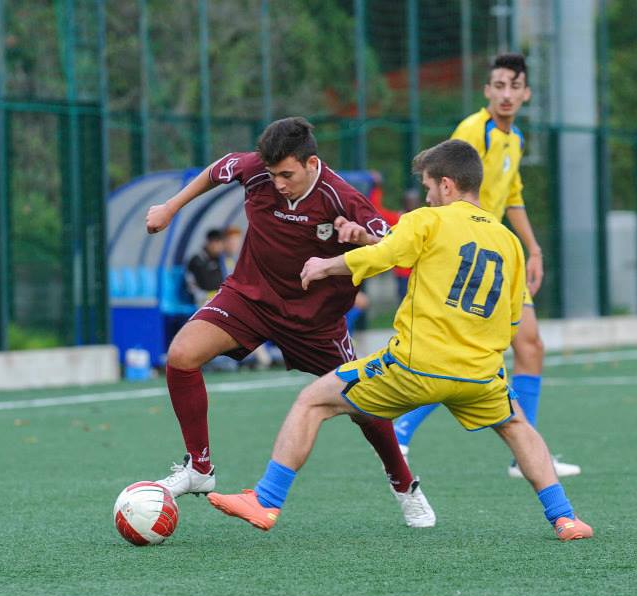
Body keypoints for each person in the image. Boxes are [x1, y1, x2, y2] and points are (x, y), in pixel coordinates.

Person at [206, 140, 592, 540]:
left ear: (446, 185)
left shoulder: (429, 220)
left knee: (312, 401)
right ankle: (565, 517)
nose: (425, 196)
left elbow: (384, 256)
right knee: (517, 427)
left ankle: (266, 500)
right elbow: (512, 319)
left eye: (427, 187)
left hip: (414, 365)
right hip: (480, 372)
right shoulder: (508, 241)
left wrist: (326, 265)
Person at [144, 117, 434, 528]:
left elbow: (391, 243)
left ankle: (404, 485)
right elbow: (217, 169)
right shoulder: (256, 170)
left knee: (365, 406)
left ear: (311, 163)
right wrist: (171, 207)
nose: (278, 183)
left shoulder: (341, 197)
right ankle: (200, 469)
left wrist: (362, 238)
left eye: (287, 175)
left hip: (315, 323)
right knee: (182, 354)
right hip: (250, 297)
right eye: (272, 173)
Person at [391, 53, 580, 478]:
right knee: (468, 356)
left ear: (526, 93)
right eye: (498, 85)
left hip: (497, 255)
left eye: (515, 86)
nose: (506, 94)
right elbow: (444, 186)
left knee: (529, 346)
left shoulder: (515, 139)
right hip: (469, 255)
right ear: (486, 90)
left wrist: (533, 248)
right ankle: (400, 430)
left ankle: (523, 456)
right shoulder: (473, 131)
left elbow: (512, 196)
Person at [185, 229, 225, 307]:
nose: (219, 246)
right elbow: (205, 284)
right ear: (209, 242)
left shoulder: (220, 259)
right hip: (200, 298)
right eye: (216, 242)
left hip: (215, 297)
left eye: (220, 243)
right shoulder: (197, 260)